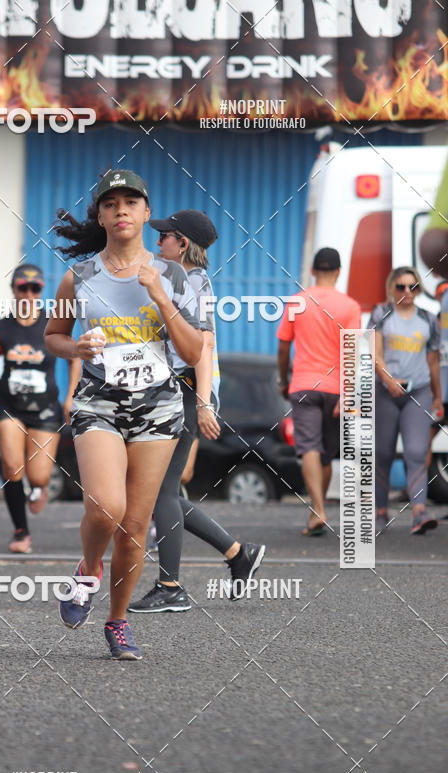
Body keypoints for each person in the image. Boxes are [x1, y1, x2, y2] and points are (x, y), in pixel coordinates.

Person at [46, 170, 203, 660]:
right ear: (101, 215)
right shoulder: (80, 276)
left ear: (145, 212)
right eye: (110, 203)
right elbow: (52, 336)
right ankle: (89, 568)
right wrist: (77, 344)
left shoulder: (176, 275)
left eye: (130, 202)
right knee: (105, 507)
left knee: (135, 528)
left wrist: (159, 296)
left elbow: (195, 350)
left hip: (158, 404)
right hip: (100, 399)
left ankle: (117, 621)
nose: (121, 210)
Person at [128, 210, 266, 614]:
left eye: (165, 237)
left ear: (182, 244)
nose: (158, 243)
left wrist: (204, 402)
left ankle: (170, 586)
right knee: (160, 490)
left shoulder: (191, 282)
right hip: (177, 392)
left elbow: (202, 344)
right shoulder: (183, 280)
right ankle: (238, 553)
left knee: (162, 491)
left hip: (187, 392)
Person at [0, 264, 66, 554]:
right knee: (12, 466)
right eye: (22, 288)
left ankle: (38, 488)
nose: (28, 293)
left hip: (45, 407)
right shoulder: (1, 328)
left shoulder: (53, 324)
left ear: (40, 291)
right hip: (9, 405)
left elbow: (75, 359)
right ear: (13, 290)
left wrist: (73, 395)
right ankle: (21, 532)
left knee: (39, 476)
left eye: (34, 288)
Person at [277, 248, 361, 536]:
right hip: (336, 388)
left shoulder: (298, 302)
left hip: (303, 384)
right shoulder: (350, 306)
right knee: (325, 454)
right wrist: (349, 392)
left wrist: (282, 379)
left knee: (310, 448)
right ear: (338, 271)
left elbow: (283, 346)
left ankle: (317, 510)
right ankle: (318, 509)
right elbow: (353, 352)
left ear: (313, 270)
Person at [369, 266, 443, 535]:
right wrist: (388, 380)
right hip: (386, 391)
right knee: (383, 453)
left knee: (415, 450)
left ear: (418, 289)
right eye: (400, 287)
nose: (406, 292)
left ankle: (419, 513)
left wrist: (438, 396)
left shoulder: (428, 319)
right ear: (392, 288)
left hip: (418, 391)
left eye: (412, 287)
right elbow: (374, 353)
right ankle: (379, 512)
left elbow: (433, 361)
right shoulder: (381, 313)